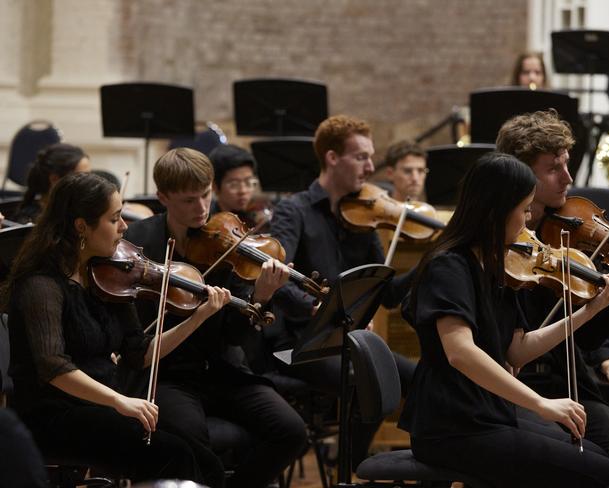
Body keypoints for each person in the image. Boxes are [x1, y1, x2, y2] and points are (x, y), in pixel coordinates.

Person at [400, 151, 609, 487]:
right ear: (495, 211)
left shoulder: (498, 266)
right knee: (605, 476)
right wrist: (539, 403)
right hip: (451, 427)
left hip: (488, 414)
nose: (527, 221)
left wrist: (589, 310)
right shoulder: (448, 265)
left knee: (597, 457)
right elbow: (460, 352)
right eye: (523, 209)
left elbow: (518, 350)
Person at [4, 172, 230, 484]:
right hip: (54, 416)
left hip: (103, 406)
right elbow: (51, 366)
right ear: (81, 226)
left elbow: (140, 353)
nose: (124, 227)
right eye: (115, 218)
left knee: (207, 463)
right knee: (173, 456)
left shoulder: (105, 276)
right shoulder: (41, 285)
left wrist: (198, 317)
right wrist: (117, 400)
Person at [124, 147, 306, 488]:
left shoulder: (227, 239)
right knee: (190, 442)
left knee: (292, 432)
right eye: (189, 200)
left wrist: (261, 296)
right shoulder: (140, 243)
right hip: (169, 374)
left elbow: (235, 336)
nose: (202, 208)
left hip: (223, 368)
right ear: (163, 197)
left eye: (206, 195)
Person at [496, 109, 609, 487]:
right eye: (553, 169)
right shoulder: (500, 247)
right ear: (520, 175)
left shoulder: (563, 233)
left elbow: (586, 339)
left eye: (567, 164)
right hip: (523, 388)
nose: (568, 178)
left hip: (573, 381)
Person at [269, 114, 417, 468]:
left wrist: (428, 265)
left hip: (345, 341)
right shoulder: (294, 211)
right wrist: (327, 313)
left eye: (370, 157)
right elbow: (280, 281)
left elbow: (390, 295)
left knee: (420, 379)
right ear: (332, 158)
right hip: (297, 343)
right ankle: (352, 466)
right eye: (360, 157)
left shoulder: (364, 216)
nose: (370, 167)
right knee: (367, 379)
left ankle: (357, 462)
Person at [13, 143, 91, 224]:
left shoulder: (82, 212)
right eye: (81, 178)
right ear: (54, 179)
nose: (89, 183)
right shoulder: (29, 220)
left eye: (89, 176)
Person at [208, 143, 266, 229]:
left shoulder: (257, 219)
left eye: (248, 182)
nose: (243, 191)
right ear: (215, 187)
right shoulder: (207, 223)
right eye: (234, 185)